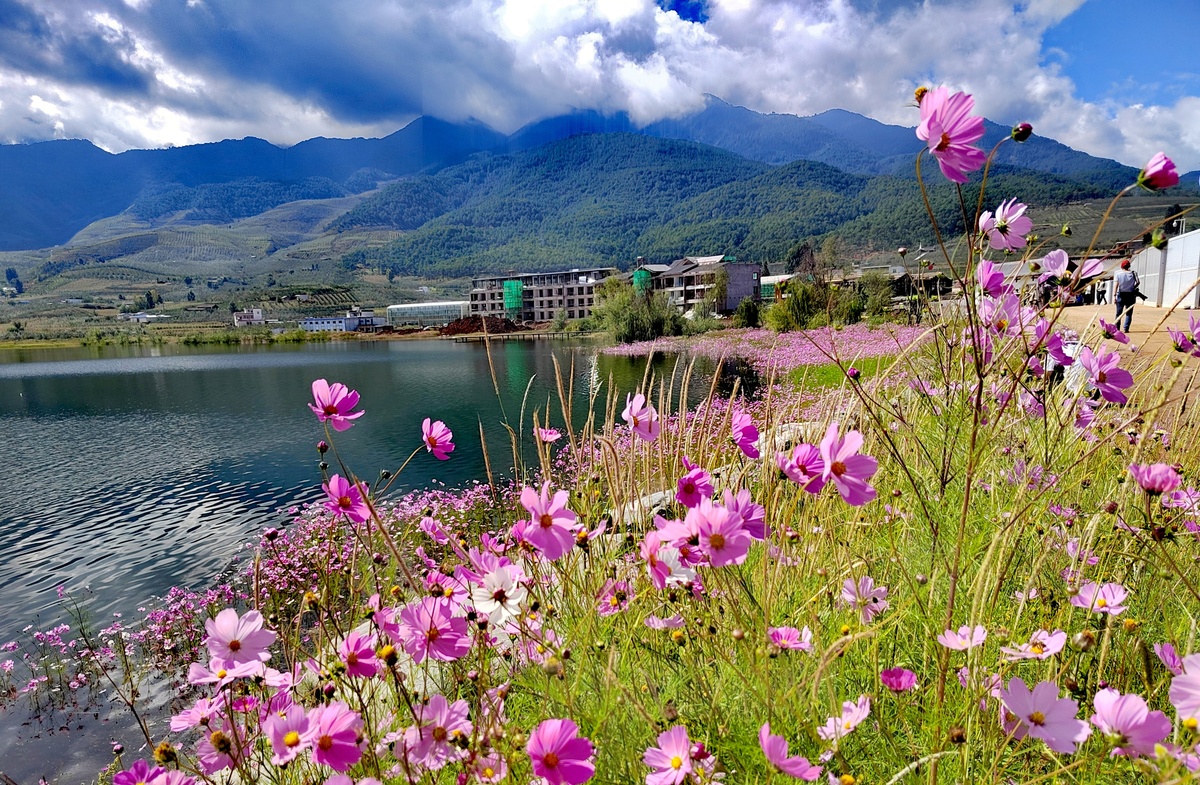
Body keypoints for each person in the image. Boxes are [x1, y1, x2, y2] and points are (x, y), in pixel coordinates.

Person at [1114, 260, 1139, 332]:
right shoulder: (1134, 273)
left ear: (1121, 266)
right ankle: (1126, 328)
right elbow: (1138, 282)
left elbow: (1116, 285)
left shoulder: (1118, 274)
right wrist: (1133, 287)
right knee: (1129, 313)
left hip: (1121, 294)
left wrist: (1114, 295)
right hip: (1130, 294)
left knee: (1118, 313)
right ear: (1129, 266)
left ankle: (1117, 328)